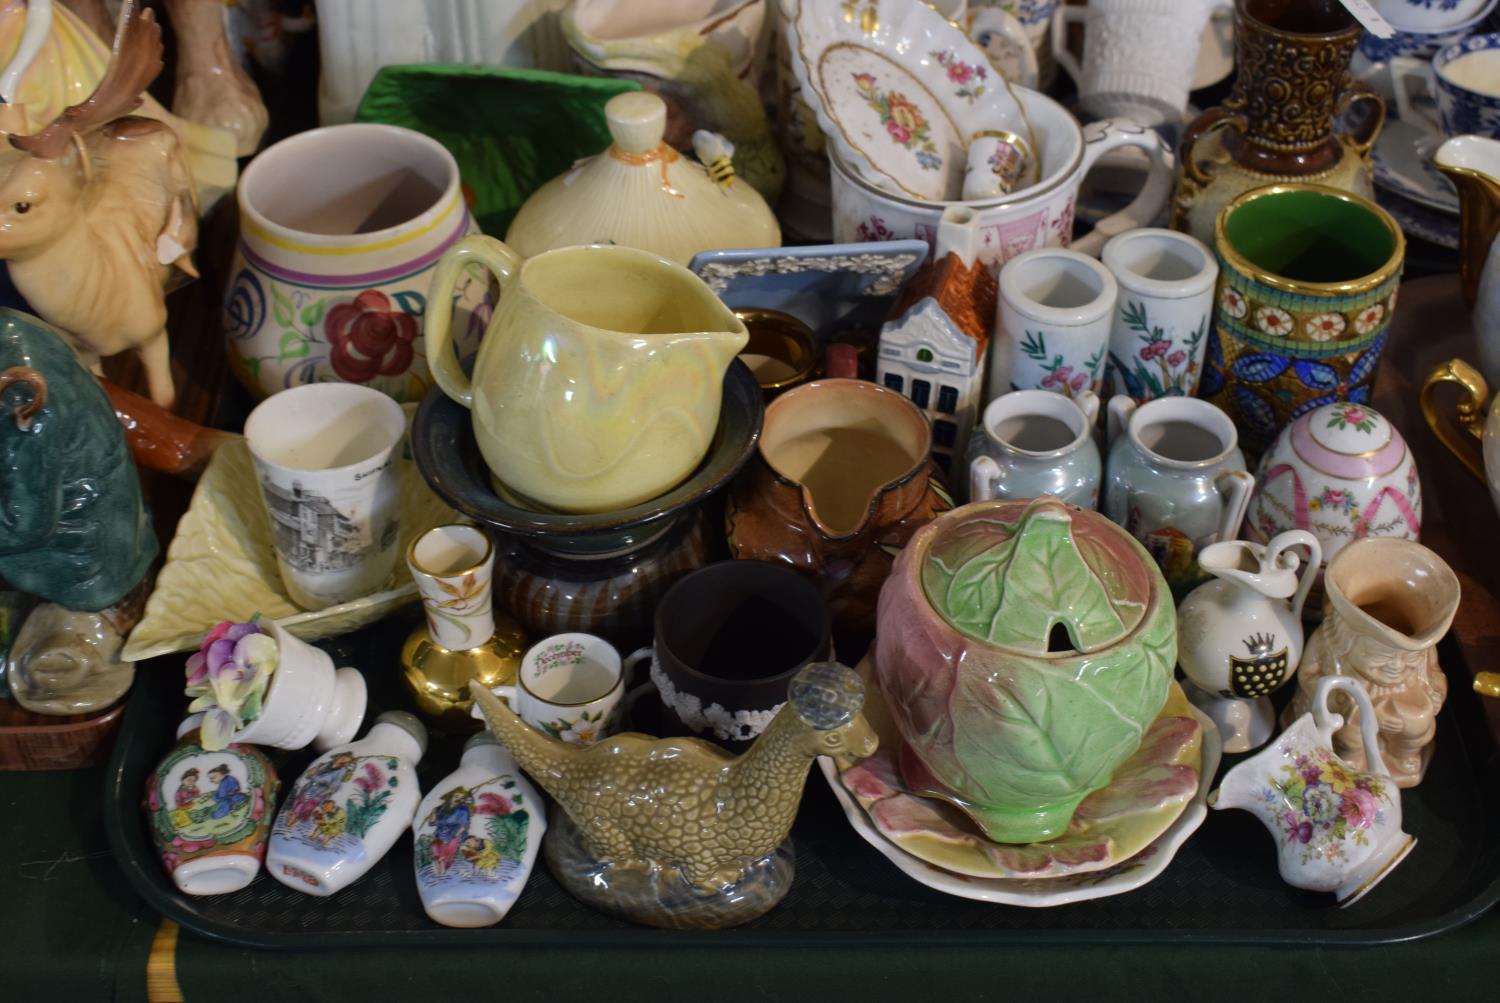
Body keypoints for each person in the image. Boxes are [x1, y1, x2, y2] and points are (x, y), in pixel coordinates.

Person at [424, 787, 473, 877]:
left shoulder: (463, 809)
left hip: (454, 833)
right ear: (451, 796)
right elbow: (432, 823)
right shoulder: (440, 808)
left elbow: (465, 825)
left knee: (447, 855)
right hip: (439, 833)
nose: (458, 799)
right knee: (436, 853)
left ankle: (443, 873)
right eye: (456, 796)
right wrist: (433, 814)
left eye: (461, 797)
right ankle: (439, 874)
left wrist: (455, 835)